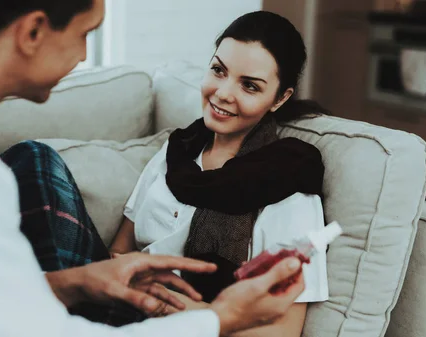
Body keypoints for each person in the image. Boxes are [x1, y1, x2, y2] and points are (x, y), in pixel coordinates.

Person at [0, 1, 306, 337]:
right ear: (33, 31)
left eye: (249, 84)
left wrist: (75, 282)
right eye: (85, 33)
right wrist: (220, 317)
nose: (81, 55)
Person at [109, 11, 331, 337]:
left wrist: (188, 313)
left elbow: (283, 330)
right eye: (218, 70)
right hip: (122, 301)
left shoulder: (286, 184)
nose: (223, 93)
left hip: (188, 326)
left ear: (280, 98)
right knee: (37, 160)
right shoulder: (179, 151)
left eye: (250, 86)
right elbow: (119, 251)